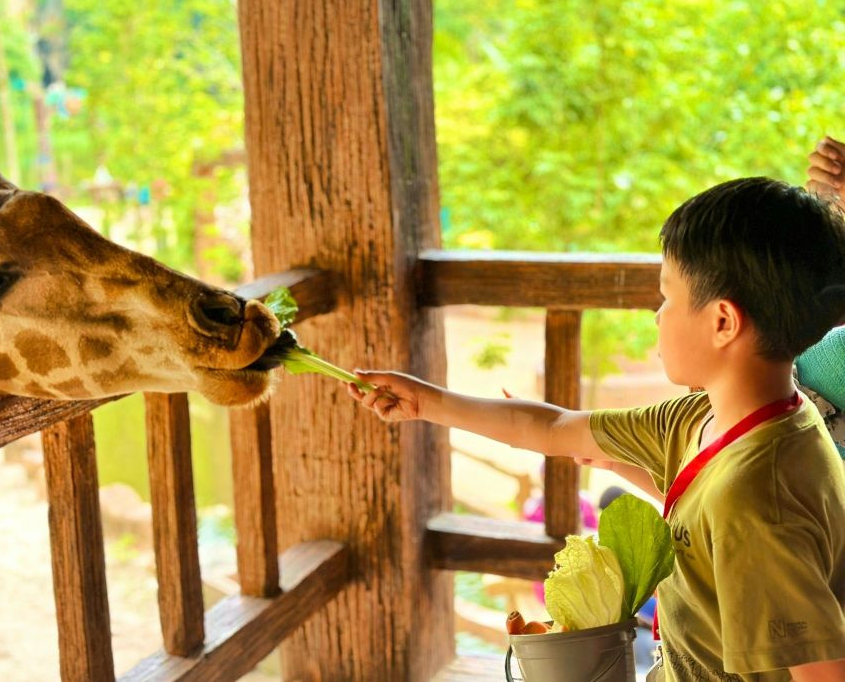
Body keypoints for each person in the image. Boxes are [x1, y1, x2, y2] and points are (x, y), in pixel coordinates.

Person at [349, 177, 845, 680]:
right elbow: (551, 426)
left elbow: (822, 674)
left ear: (723, 322)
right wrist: (426, 401)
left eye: (666, 297)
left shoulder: (759, 501)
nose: (657, 315)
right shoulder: (710, 416)